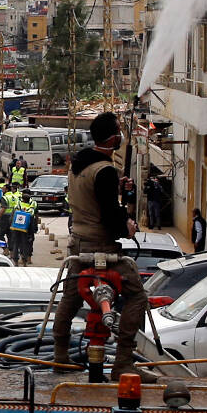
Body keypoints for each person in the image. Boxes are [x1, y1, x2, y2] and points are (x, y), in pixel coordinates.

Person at [51, 112, 148, 376]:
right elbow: (109, 216)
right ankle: (124, 361)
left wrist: (115, 185)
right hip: (100, 247)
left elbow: (91, 194)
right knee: (137, 295)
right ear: (113, 136)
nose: (121, 135)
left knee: (70, 298)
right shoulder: (104, 169)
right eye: (119, 130)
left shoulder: (80, 163)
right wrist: (126, 226)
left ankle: (60, 354)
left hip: (78, 242)